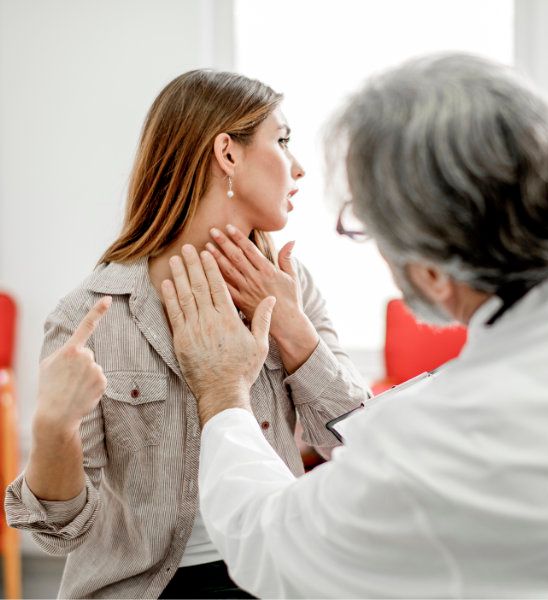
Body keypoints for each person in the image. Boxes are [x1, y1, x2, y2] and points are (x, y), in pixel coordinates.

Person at [163, 53, 548, 598]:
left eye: (362, 227)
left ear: (432, 272)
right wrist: (298, 338)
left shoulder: (431, 447)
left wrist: (223, 393)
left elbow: (268, 548)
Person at [4, 70, 368, 599]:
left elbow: (353, 446)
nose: (299, 167)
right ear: (228, 153)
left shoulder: (291, 286)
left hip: (270, 575)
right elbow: (59, 531)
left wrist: (296, 335)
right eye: (282, 139)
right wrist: (53, 427)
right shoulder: (91, 315)